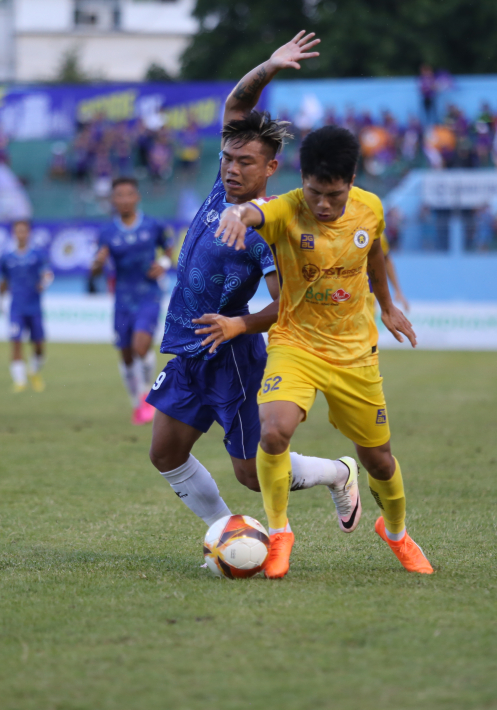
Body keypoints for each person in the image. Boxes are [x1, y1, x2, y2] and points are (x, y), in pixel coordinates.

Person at [146, 32, 362, 537]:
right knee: (165, 453)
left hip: (232, 358)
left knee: (250, 473)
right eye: (227, 158)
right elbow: (237, 103)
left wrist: (238, 324)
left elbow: (288, 301)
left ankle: (338, 471)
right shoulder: (221, 188)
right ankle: (229, 535)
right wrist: (269, 64)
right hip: (190, 349)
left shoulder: (269, 226)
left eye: (245, 162)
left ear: (271, 168)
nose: (232, 168)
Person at [214, 124, 431, 577]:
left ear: (351, 182)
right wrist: (237, 216)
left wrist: (387, 307)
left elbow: (375, 251)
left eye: (333, 194)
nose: (324, 205)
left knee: (379, 460)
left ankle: (395, 533)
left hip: (355, 352)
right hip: (296, 343)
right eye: (315, 192)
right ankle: (279, 535)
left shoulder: (370, 208)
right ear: (302, 180)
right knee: (272, 432)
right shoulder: (286, 211)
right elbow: (255, 213)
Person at [90, 178, 173, 423]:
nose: (124, 199)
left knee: (140, 346)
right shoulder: (106, 233)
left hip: (148, 294)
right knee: (126, 356)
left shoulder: (153, 225)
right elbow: (95, 270)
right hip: (122, 299)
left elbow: (169, 249)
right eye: (119, 195)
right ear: (113, 200)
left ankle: (147, 393)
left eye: (129, 194)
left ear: (137, 197)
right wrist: (97, 264)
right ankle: (137, 400)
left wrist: (164, 264)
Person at [0, 219, 53, 392]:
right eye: (18, 231)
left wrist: (43, 284)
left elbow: (48, 274)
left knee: (38, 345)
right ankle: (19, 381)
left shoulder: (38, 255)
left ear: (29, 233)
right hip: (16, 308)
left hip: (34, 307)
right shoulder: (6, 258)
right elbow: (4, 281)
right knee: (16, 342)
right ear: (14, 234)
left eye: (24, 231)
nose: (21, 234)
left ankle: (34, 371)